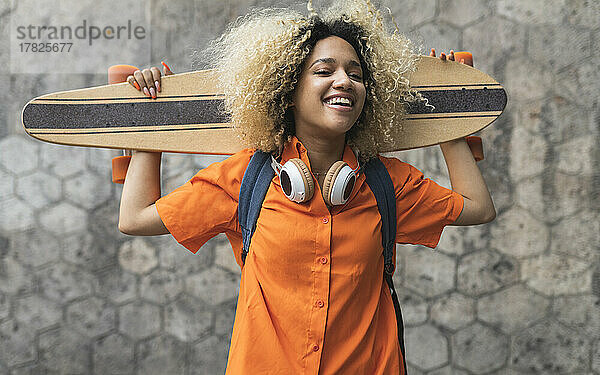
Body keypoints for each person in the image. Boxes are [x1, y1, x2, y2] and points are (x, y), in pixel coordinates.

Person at [118, 0, 495, 373]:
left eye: (356, 74)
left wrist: (451, 118)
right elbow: (135, 218)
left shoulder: (385, 184)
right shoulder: (245, 180)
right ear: (288, 91)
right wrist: (152, 123)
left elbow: (478, 207)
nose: (344, 81)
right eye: (324, 71)